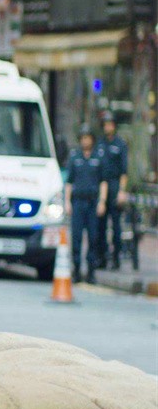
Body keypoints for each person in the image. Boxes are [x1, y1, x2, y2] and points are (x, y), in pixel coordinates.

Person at [65, 124, 108, 284]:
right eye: (83, 138)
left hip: (92, 201)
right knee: (76, 237)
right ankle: (76, 269)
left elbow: (103, 181)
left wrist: (102, 201)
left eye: (88, 138)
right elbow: (69, 182)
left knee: (93, 237)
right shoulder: (75, 157)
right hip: (78, 201)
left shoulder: (99, 157)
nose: (85, 141)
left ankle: (91, 272)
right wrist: (67, 202)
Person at [95, 111, 128, 270]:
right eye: (105, 124)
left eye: (110, 124)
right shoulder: (100, 144)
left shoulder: (120, 144)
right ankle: (102, 257)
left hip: (114, 186)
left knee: (116, 226)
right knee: (100, 225)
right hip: (102, 186)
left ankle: (116, 258)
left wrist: (122, 191)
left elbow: (124, 171)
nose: (107, 127)